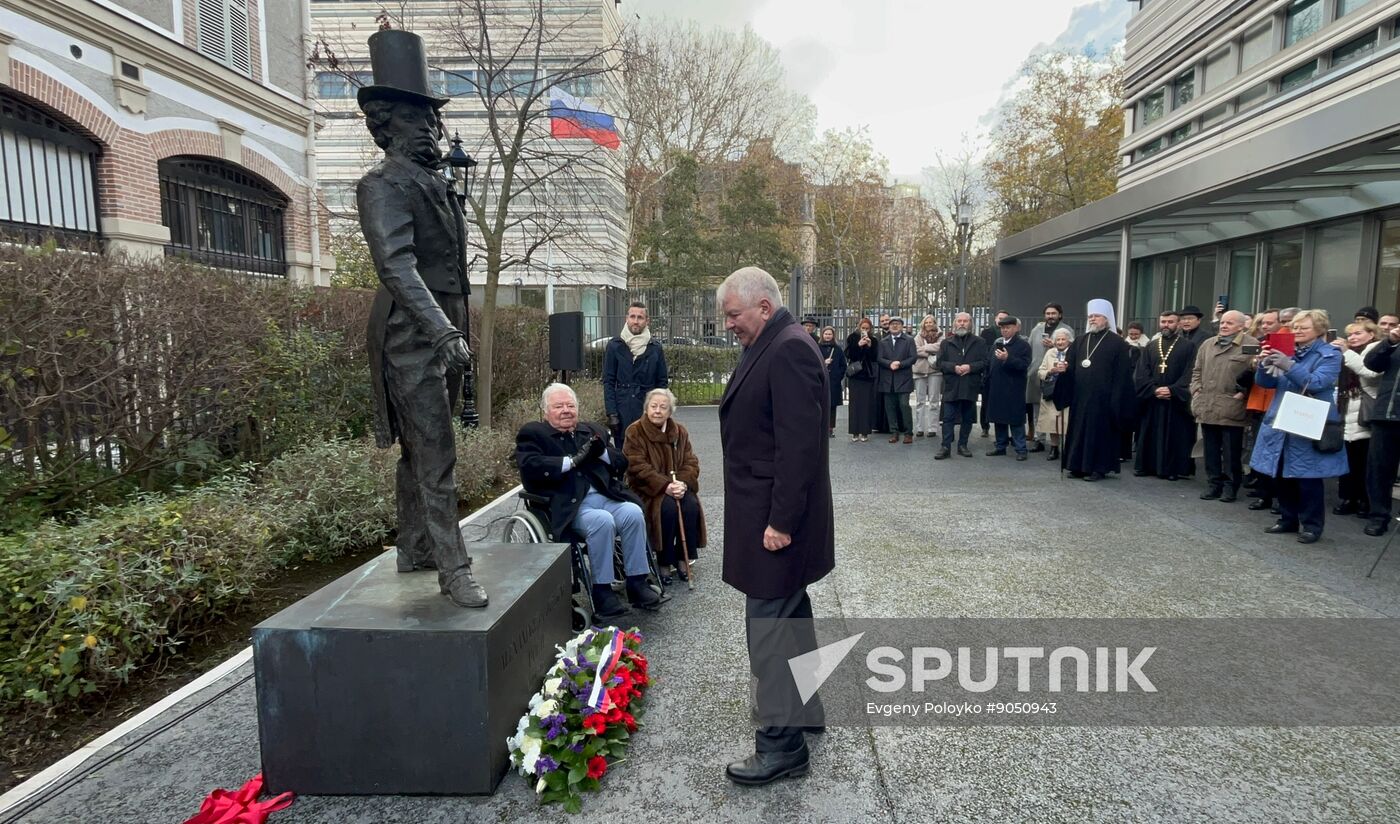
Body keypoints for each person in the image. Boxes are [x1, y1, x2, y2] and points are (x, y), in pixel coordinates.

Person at [356, 29, 486, 608]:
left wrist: (455, 324)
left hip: (444, 321)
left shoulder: (437, 183)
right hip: (413, 332)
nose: (433, 130)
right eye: (421, 121)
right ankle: (452, 568)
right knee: (435, 450)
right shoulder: (381, 186)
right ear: (389, 125)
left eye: (433, 121)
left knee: (423, 447)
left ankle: (416, 546)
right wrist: (443, 330)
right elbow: (397, 267)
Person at [716, 267, 833, 787]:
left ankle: (781, 747)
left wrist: (781, 522)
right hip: (766, 515)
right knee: (792, 618)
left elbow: (799, 446)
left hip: (777, 522)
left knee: (768, 633)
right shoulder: (775, 340)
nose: (728, 325)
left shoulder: (786, 348)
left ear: (763, 306)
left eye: (733, 315)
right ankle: (805, 711)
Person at [515, 383, 664, 620]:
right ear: (545, 411)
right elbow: (530, 466)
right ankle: (602, 591)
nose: (566, 410)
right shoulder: (533, 433)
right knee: (602, 521)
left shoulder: (592, 430)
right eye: (559, 406)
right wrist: (572, 461)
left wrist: (601, 452)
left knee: (633, 512)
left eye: (570, 405)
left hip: (606, 496)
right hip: (571, 505)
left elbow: (621, 461)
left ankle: (637, 582)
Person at [1250, 309, 1348, 544]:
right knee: (1282, 471)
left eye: (1304, 327)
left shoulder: (1330, 354)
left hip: (1308, 419)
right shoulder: (1286, 349)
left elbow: (1317, 383)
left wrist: (1289, 365)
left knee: (1308, 476)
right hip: (1282, 417)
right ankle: (1287, 518)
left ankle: (1312, 525)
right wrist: (1264, 364)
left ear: (1320, 330)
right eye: (1295, 327)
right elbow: (1265, 383)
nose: (1297, 331)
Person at [623, 388, 705, 585]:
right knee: (666, 508)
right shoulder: (634, 431)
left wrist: (683, 483)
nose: (657, 411)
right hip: (647, 489)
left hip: (677, 485)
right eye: (653, 406)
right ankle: (664, 561)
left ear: (670, 411)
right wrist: (664, 486)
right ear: (646, 408)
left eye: (663, 407)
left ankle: (684, 557)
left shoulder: (680, 432)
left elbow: (691, 462)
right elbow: (636, 465)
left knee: (690, 505)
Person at [1052, 299, 1136, 481]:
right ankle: (1077, 466)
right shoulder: (1080, 341)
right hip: (1080, 397)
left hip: (1104, 400)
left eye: (1096, 316)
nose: (1092, 319)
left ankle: (1099, 468)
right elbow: (1070, 367)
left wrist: (1115, 400)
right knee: (1079, 430)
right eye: (1090, 316)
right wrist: (1063, 370)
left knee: (1100, 433)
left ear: (1106, 319)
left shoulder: (1118, 344)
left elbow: (1122, 376)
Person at [1190, 310, 1257, 502]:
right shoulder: (1207, 344)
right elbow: (1197, 371)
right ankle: (1213, 484)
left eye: (1229, 323)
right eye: (1222, 322)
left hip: (1231, 406)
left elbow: (1255, 372)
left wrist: (1242, 393)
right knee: (1210, 449)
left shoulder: (1251, 344)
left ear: (1241, 326)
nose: (1224, 326)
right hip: (1207, 404)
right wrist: (1196, 390)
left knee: (1231, 451)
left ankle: (1230, 486)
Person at [1134, 311, 1198, 481]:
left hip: (1175, 401)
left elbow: (1190, 372)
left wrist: (1173, 390)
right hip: (1153, 400)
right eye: (1163, 322)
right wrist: (1153, 389)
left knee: (1175, 435)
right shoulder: (1151, 346)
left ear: (1178, 324)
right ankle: (1147, 466)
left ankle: (1172, 469)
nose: (1166, 325)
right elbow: (1142, 372)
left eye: (1170, 322)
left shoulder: (1188, 346)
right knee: (1150, 432)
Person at [1332, 320, 1381, 519]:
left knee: (1365, 461)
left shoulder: (1375, 351)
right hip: (1346, 409)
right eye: (1350, 334)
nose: (1352, 338)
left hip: (1365, 412)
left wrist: (1346, 352)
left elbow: (1370, 373)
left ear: (1371, 335)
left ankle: (1364, 500)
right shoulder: (1345, 354)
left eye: (1358, 333)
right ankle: (1348, 498)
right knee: (1348, 459)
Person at [603, 302, 669, 449]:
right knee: (624, 457)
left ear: (647, 321)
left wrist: (660, 410)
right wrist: (611, 413)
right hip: (622, 410)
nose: (636, 321)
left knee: (649, 456)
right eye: (632, 316)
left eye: (640, 317)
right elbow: (608, 381)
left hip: (647, 410)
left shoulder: (655, 348)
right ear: (627, 318)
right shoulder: (615, 346)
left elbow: (662, 383)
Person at [1244, 308, 1283, 511]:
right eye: (1262, 323)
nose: (1265, 326)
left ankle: (1278, 497)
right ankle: (1264, 493)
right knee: (1261, 451)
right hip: (1260, 402)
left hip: (1279, 405)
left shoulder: (1288, 344)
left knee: (1278, 453)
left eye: (1269, 323)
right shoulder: (1262, 344)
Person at [935, 312, 988, 460]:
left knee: (967, 417)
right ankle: (945, 446)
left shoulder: (980, 342)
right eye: (959, 321)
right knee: (948, 417)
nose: (962, 324)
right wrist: (954, 367)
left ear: (970, 324)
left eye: (965, 321)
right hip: (952, 385)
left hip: (970, 384)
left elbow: (985, 362)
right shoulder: (946, 342)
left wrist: (970, 367)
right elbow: (939, 363)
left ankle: (962, 445)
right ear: (955, 323)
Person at [1364, 319, 1400, 536]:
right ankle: (1378, 516)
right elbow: (1371, 363)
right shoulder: (1393, 344)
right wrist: (1390, 341)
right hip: (1386, 414)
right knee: (1379, 470)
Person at [1025, 303, 1073, 453]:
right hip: (1037, 373)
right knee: (1037, 407)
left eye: (1053, 313)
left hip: (1057, 378)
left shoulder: (1066, 329)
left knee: (1056, 411)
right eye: (1048, 313)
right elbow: (1030, 348)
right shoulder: (1037, 329)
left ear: (1060, 314)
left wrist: (1054, 345)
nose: (1050, 316)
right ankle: (1038, 439)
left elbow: (1072, 349)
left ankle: (1058, 444)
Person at [986, 315, 1032, 460]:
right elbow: (990, 363)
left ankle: (1021, 449)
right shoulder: (997, 344)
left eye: (1008, 328)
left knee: (1015, 420)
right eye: (1002, 328)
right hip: (997, 387)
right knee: (999, 419)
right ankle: (1000, 446)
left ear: (1015, 328)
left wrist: (1008, 359)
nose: (1005, 331)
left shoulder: (1023, 345)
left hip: (1013, 388)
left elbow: (1024, 365)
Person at [877, 316, 916, 444]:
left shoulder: (909, 340)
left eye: (897, 324)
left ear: (902, 326)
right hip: (887, 379)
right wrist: (889, 364)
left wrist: (900, 363)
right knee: (890, 407)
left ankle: (908, 432)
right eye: (892, 324)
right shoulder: (883, 341)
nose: (894, 326)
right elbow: (879, 358)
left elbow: (913, 358)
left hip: (903, 378)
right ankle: (894, 432)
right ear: (889, 326)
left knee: (904, 405)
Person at [1037, 328, 1073, 461]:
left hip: (1068, 391)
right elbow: (1040, 371)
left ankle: (1068, 449)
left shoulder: (1073, 353)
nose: (1060, 342)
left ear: (1069, 340)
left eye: (1063, 339)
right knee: (1052, 422)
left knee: (1067, 422)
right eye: (1058, 339)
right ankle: (1054, 448)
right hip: (1051, 391)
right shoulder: (1050, 353)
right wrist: (1050, 371)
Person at [845, 318, 880, 442]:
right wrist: (858, 345)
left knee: (866, 404)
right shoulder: (852, 338)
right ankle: (854, 432)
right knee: (854, 404)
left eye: (867, 328)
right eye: (863, 328)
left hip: (867, 374)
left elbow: (875, 358)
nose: (864, 330)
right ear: (859, 327)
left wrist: (870, 346)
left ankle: (865, 432)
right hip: (855, 374)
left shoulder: (874, 340)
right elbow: (849, 354)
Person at [978, 310, 1010, 438]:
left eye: (1005, 319)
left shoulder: (1010, 336)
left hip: (1004, 371)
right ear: (995, 319)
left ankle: (1002, 429)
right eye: (1000, 318)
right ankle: (985, 427)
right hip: (989, 370)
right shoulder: (986, 333)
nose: (1002, 321)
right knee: (985, 401)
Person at [912, 316, 943, 438]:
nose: (929, 324)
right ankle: (919, 428)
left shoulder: (941, 335)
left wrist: (924, 348)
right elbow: (915, 350)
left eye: (931, 322)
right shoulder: (918, 336)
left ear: (935, 323)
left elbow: (941, 348)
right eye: (927, 322)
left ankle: (932, 428)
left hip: (935, 370)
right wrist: (931, 351)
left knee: (934, 401)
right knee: (920, 401)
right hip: (919, 370)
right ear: (923, 324)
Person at [817, 326, 847, 438]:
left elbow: (843, 365)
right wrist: (823, 362)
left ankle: (830, 428)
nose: (828, 336)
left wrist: (838, 376)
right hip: (820, 380)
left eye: (830, 334)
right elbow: (813, 363)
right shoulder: (817, 347)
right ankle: (820, 427)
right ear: (822, 335)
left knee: (832, 406)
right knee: (820, 404)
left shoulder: (838, 349)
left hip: (833, 382)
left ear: (833, 335)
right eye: (826, 334)